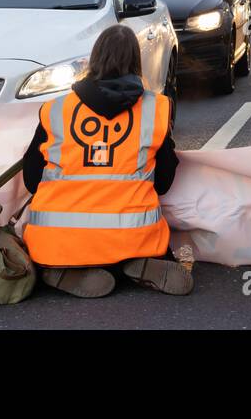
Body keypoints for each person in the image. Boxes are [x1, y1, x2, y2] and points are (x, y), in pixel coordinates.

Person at [21, 24, 187, 298]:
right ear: (136, 61)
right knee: (132, 243)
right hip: (135, 235)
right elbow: (164, 183)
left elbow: (31, 180)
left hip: (56, 237)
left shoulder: (57, 109)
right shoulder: (156, 108)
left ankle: (60, 268)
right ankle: (130, 263)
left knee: (51, 254)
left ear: (94, 59)